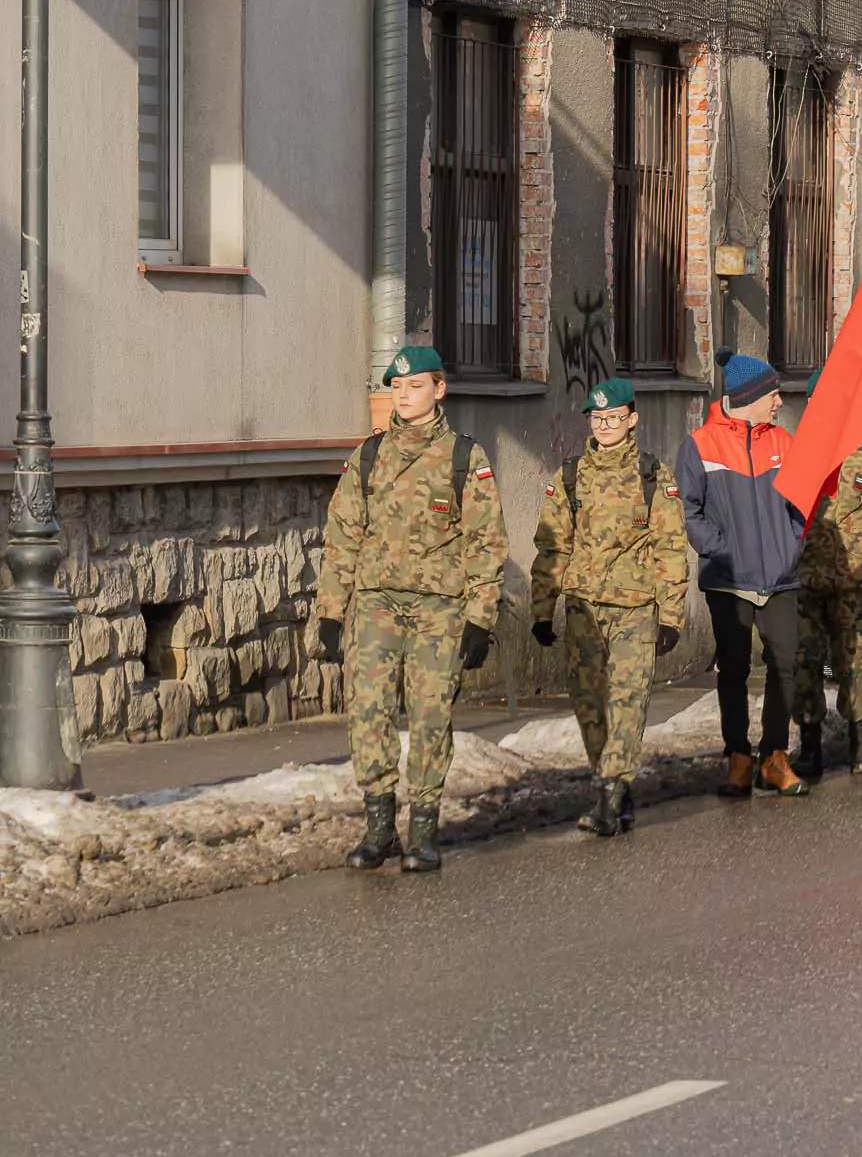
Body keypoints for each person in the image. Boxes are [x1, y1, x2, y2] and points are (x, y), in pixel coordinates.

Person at [314, 345, 507, 875]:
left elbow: (486, 544)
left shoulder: (465, 458)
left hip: (439, 613)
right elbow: (343, 536)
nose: (404, 395)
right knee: (368, 713)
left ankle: (422, 831)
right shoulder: (369, 456)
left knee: (429, 719)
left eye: (415, 386)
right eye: (396, 387)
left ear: (439, 389)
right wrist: (331, 612)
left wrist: (480, 619)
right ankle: (379, 829)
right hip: (375, 605)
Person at [529, 377, 688, 837]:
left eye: (613, 418)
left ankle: (606, 795)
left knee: (628, 702)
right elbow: (551, 545)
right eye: (597, 419)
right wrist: (544, 608)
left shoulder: (652, 475)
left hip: (635, 609)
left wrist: (672, 615)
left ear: (631, 420)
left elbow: (671, 546)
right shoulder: (572, 475)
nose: (604, 426)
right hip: (582, 608)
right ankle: (615, 783)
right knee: (589, 704)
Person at [679, 353, 812, 799]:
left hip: (780, 577)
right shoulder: (699, 445)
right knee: (733, 669)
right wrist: (720, 549)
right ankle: (737, 757)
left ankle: (775, 758)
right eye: (772, 394)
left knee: (784, 668)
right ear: (750, 396)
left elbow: (801, 506)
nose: (778, 401)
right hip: (728, 577)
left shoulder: (786, 442)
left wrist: (792, 546)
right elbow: (689, 511)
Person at [794, 426, 862, 778]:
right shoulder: (801, 452)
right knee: (806, 662)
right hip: (805, 578)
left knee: (854, 661)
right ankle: (810, 747)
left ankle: (860, 745)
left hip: (852, 580)